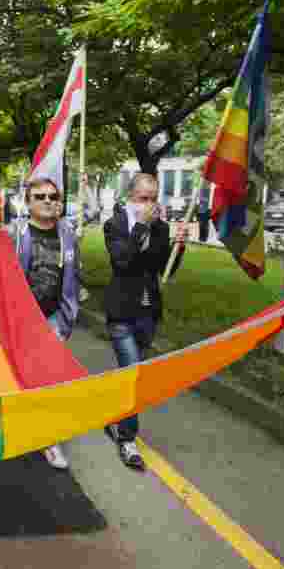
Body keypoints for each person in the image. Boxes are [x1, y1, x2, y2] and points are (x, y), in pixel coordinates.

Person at [102, 173, 187, 471]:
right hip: (121, 313)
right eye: (143, 199)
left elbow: (166, 268)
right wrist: (140, 226)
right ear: (131, 198)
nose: (150, 205)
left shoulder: (161, 228)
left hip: (148, 313)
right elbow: (122, 261)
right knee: (134, 375)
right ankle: (127, 439)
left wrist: (180, 246)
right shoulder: (115, 225)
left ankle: (115, 419)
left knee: (130, 374)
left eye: (153, 198)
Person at [5, 177, 81, 469]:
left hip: (52, 320)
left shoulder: (68, 234)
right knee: (21, 378)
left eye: (53, 196)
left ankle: (49, 441)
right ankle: (20, 427)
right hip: (19, 319)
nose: (48, 201)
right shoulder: (14, 232)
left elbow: (73, 279)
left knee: (48, 379)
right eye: (40, 196)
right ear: (28, 202)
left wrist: (66, 319)